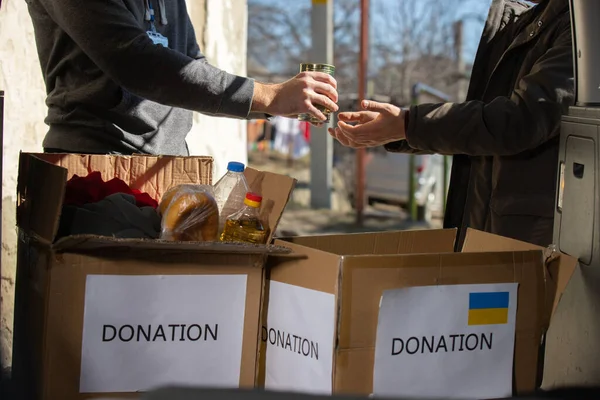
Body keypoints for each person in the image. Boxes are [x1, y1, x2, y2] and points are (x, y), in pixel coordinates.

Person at [329, 0, 573, 248]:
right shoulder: (535, 19)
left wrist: (407, 125)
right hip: (495, 234)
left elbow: (518, 121)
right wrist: (402, 128)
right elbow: (487, 125)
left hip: (529, 243)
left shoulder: (582, 24)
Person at [26, 0, 338, 155]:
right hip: (93, 168)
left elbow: (192, 64)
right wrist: (268, 96)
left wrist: (271, 102)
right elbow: (133, 61)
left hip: (172, 168)